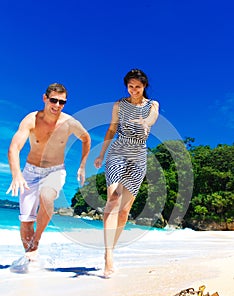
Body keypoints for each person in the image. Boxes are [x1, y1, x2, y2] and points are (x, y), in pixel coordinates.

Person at [7, 83, 91, 270]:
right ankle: (30, 260)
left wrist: (83, 165)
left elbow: (86, 138)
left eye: (62, 102)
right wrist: (17, 174)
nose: (57, 105)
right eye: (53, 100)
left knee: (47, 195)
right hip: (30, 172)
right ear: (45, 98)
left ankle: (37, 240)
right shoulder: (31, 120)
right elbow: (14, 147)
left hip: (55, 170)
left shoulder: (69, 122)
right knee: (26, 221)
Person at [94, 69, 159, 277]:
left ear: (144, 86)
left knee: (124, 212)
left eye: (137, 87)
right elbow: (112, 129)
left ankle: (112, 248)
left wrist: (145, 123)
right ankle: (108, 256)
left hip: (138, 156)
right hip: (118, 151)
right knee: (113, 199)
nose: (134, 90)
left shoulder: (152, 105)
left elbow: (152, 119)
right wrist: (101, 154)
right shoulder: (119, 105)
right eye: (130, 86)